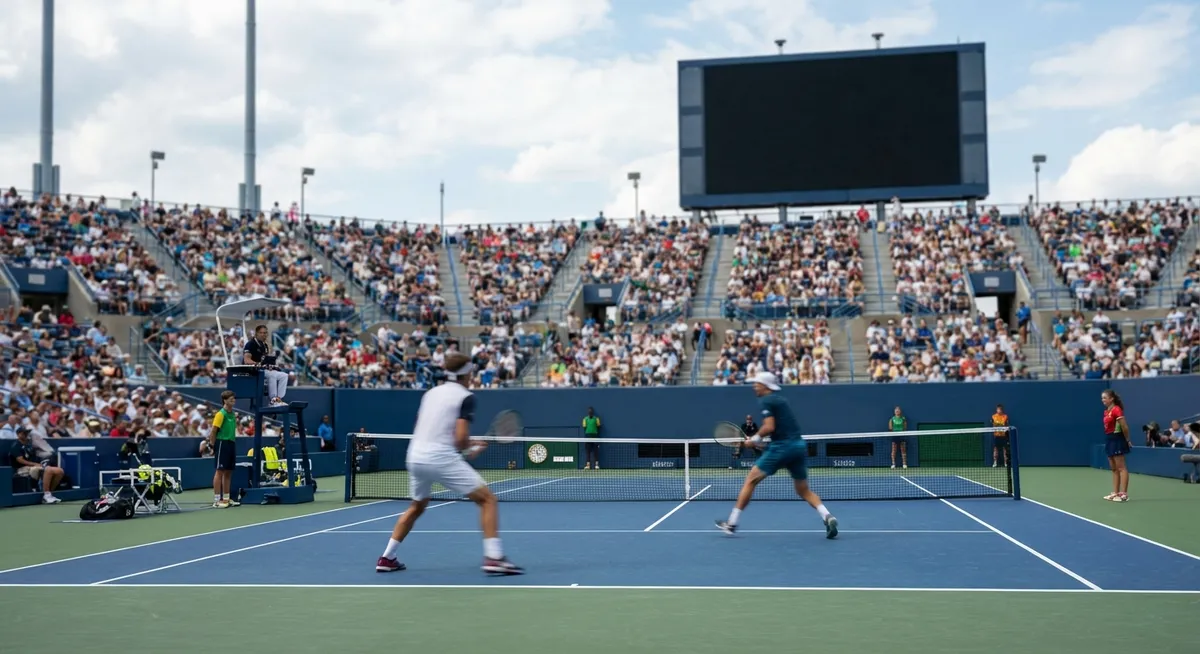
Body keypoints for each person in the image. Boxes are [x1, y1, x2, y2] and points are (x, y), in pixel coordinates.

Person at [376, 353, 524, 575]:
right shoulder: (466, 397)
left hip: (415, 455)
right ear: (466, 374)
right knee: (488, 500)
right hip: (439, 457)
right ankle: (494, 558)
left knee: (417, 506)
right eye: (471, 372)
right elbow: (461, 438)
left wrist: (467, 445)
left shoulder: (430, 394)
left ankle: (387, 557)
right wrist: (470, 447)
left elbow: (425, 427)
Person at [715, 372, 838, 539]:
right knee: (803, 490)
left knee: (750, 480)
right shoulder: (782, 401)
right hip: (797, 446)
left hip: (782, 448)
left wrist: (754, 439)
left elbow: (769, 427)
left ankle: (731, 524)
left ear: (765, 386)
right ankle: (827, 516)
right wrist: (761, 443)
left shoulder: (766, 400)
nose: (754, 386)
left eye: (757, 383)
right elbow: (779, 431)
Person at [8, 426, 64, 504]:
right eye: (24, 433)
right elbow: (20, 460)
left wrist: (42, 462)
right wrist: (35, 464)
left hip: (34, 466)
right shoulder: (16, 446)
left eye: (27, 432)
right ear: (18, 434)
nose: (26, 434)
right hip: (20, 469)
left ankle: (48, 494)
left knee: (59, 471)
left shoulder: (29, 444)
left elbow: (36, 456)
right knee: (48, 470)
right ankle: (46, 495)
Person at [209, 390, 240, 508]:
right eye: (231, 399)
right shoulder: (220, 414)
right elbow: (214, 430)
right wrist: (212, 445)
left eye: (234, 399)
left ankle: (226, 499)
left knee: (228, 471)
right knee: (220, 471)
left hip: (231, 443)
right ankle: (217, 500)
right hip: (222, 442)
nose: (233, 400)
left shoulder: (233, 414)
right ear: (225, 400)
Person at [244, 324, 288, 406]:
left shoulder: (265, 345)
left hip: (263, 370)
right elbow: (247, 360)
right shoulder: (251, 344)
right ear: (256, 333)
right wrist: (258, 364)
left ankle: (278, 399)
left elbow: (265, 360)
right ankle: (272, 401)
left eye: (265, 333)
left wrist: (270, 365)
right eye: (261, 333)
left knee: (284, 375)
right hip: (252, 371)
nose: (263, 335)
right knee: (272, 375)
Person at [1101, 389, 1132, 502]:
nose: (1103, 400)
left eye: (1105, 398)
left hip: (1118, 439)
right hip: (1109, 439)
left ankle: (1124, 494)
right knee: (1114, 468)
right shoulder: (1106, 412)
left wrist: (1127, 440)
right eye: (1102, 398)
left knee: (1121, 468)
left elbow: (1124, 427)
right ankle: (1115, 493)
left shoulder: (1117, 410)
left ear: (1111, 398)